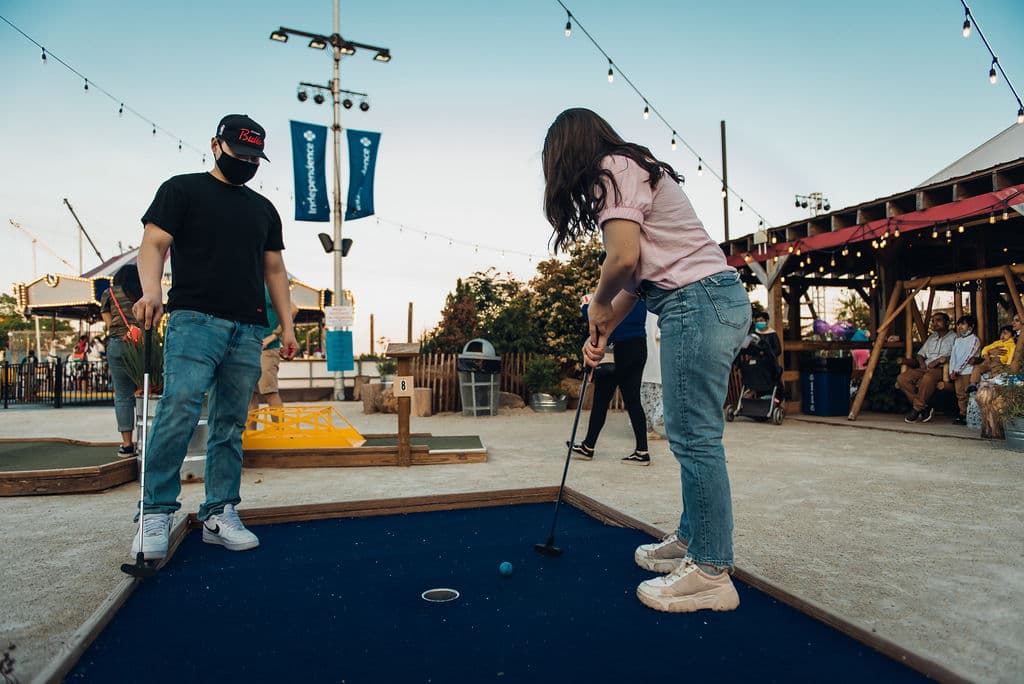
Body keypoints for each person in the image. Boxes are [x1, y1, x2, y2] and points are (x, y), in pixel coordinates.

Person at [543, 108, 749, 613]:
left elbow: (623, 259)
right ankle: (692, 538)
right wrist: (606, 325)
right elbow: (639, 280)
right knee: (687, 432)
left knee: (695, 435)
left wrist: (594, 302)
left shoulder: (612, 169)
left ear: (568, 151)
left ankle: (711, 571)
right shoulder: (628, 169)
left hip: (697, 301)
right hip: (697, 299)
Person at [130, 113, 298, 562]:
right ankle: (156, 511)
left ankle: (220, 511)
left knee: (230, 423)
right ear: (215, 145)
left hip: (248, 329)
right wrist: (151, 291)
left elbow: (275, 270)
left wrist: (287, 324)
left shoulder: (263, 209)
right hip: (193, 321)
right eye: (237, 153)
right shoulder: (181, 189)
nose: (245, 163)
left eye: (252, 158)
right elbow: (153, 243)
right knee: (179, 408)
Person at [569, 294, 651, 465]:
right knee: (629, 399)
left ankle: (589, 446)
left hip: (618, 349)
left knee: (603, 400)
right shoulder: (639, 292)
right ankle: (640, 451)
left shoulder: (618, 293)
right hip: (638, 346)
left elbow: (598, 317)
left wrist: (585, 304)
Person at [100, 265, 144, 457]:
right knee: (147, 390)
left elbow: (109, 323)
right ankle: (147, 439)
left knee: (123, 395)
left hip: (118, 343)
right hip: (141, 345)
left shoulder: (108, 293)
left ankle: (127, 445)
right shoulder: (141, 291)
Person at [248, 286, 298, 429]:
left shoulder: (266, 287)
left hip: (267, 349)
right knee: (251, 395)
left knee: (270, 391)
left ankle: (280, 432)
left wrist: (274, 335)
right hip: (250, 348)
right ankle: (251, 435)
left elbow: (293, 309)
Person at [895, 312, 954, 423]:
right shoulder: (932, 337)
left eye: (938, 320)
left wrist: (937, 361)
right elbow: (920, 354)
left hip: (942, 368)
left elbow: (956, 356)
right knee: (902, 378)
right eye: (933, 321)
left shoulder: (954, 337)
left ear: (947, 323)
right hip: (925, 367)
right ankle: (923, 407)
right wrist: (921, 363)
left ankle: (917, 408)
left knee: (927, 378)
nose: (935, 323)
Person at [947, 314, 980, 426]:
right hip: (956, 372)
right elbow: (953, 357)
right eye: (959, 324)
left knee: (967, 394)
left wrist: (958, 369)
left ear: (971, 326)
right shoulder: (957, 340)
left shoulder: (974, 339)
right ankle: (962, 414)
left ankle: (968, 415)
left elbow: (968, 356)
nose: (960, 327)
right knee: (960, 394)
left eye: (963, 324)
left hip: (967, 371)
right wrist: (952, 370)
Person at [641, 310, 664, 440]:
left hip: (646, 355)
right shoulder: (658, 307)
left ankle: (647, 428)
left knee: (645, 394)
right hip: (657, 356)